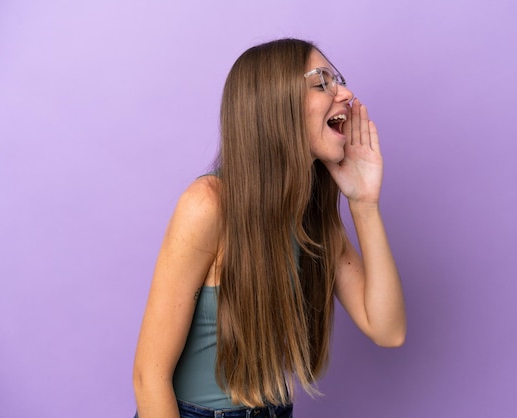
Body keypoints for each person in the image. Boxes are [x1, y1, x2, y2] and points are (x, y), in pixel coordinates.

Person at [132, 38, 406, 418]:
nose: (345, 92)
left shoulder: (311, 214)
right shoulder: (208, 204)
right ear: (275, 103)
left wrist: (363, 203)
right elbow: (149, 377)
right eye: (322, 81)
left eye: (338, 79)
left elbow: (388, 329)